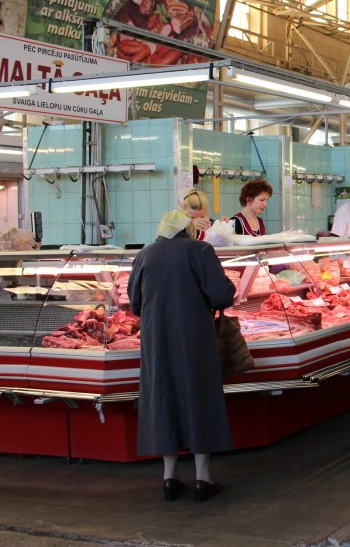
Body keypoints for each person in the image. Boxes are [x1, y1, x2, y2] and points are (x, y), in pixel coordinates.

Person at [127, 210, 236, 503]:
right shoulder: (201, 249)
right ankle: (203, 478)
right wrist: (229, 287)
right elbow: (220, 296)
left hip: (156, 339)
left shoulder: (145, 255)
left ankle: (169, 478)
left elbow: (135, 303)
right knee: (198, 396)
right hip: (194, 337)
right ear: (187, 229)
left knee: (163, 397)